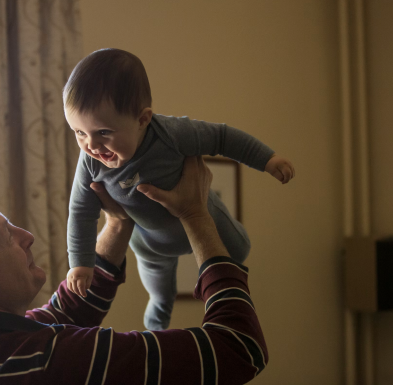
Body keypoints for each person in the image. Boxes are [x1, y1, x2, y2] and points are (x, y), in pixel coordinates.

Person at [0, 156, 268, 385]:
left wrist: (117, 222)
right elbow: (238, 349)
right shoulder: (49, 361)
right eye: (7, 237)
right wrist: (196, 215)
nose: (27, 237)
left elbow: (64, 312)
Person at [64, 48, 295, 330]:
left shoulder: (172, 134)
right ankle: (156, 327)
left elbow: (222, 137)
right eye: (79, 132)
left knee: (240, 250)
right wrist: (80, 263)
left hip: (204, 215)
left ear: (142, 119)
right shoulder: (90, 162)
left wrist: (267, 159)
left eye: (103, 132)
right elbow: (80, 212)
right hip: (150, 243)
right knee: (160, 293)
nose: (91, 145)